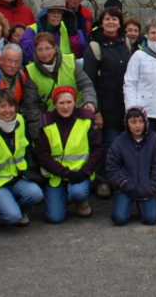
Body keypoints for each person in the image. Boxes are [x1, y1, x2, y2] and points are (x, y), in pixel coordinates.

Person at [33, 86, 103, 223]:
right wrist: (66, 173)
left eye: (69, 102)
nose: (66, 107)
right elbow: (42, 155)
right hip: (56, 175)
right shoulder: (46, 122)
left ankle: (79, 200)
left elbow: (97, 149)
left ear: (75, 102)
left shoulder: (86, 119)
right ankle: (62, 197)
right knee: (54, 218)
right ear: (54, 104)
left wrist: (85, 171)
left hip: (80, 173)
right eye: (61, 103)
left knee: (78, 192)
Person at [0, 89, 43, 225]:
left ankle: (16, 209)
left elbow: (27, 150)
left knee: (36, 194)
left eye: (11, 106)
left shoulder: (20, 121)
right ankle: (1, 213)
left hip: (18, 177)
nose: (8, 111)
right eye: (2, 106)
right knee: (12, 216)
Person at [84, 7, 132, 198]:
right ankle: (103, 180)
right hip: (105, 105)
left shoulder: (126, 44)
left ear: (120, 23)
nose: (111, 22)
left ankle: (119, 179)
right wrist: (96, 111)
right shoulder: (94, 47)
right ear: (101, 22)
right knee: (108, 145)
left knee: (124, 145)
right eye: (107, 19)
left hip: (124, 105)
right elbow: (89, 81)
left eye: (115, 19)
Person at [21, 32, 97, 136]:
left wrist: (89, 101)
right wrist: (37, 132)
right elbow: (32, 105)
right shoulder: (31, 71)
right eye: (40, 49)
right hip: (51, 121)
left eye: (48, 48)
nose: (44, 53)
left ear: (55, 48)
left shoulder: (70, 62)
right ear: (35, 51)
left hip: (76, 114)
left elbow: (86, 85)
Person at [105, 107, 156, 226]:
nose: (138, 126)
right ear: (127, 124)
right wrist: (124, 183)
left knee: (150, 219)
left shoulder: (154, 139)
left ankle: (142, 205)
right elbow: (112, 167)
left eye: (141, 121)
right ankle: (127, 204)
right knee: (118, 219)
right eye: (133, 122)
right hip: (126, 188)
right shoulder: (120, 141)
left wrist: (152, 186)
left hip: (147, 188)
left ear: (146, 122)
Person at [20, 0, 88, 62]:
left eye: (59, 12)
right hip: (40, 71)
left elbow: (81, 52)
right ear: (45, 14)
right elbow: (27, 54)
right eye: (52, 12)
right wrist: (41, 34)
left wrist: (73, 34)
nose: (56, 15)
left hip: (64, 71)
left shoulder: (69, 28)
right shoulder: (32, 30)